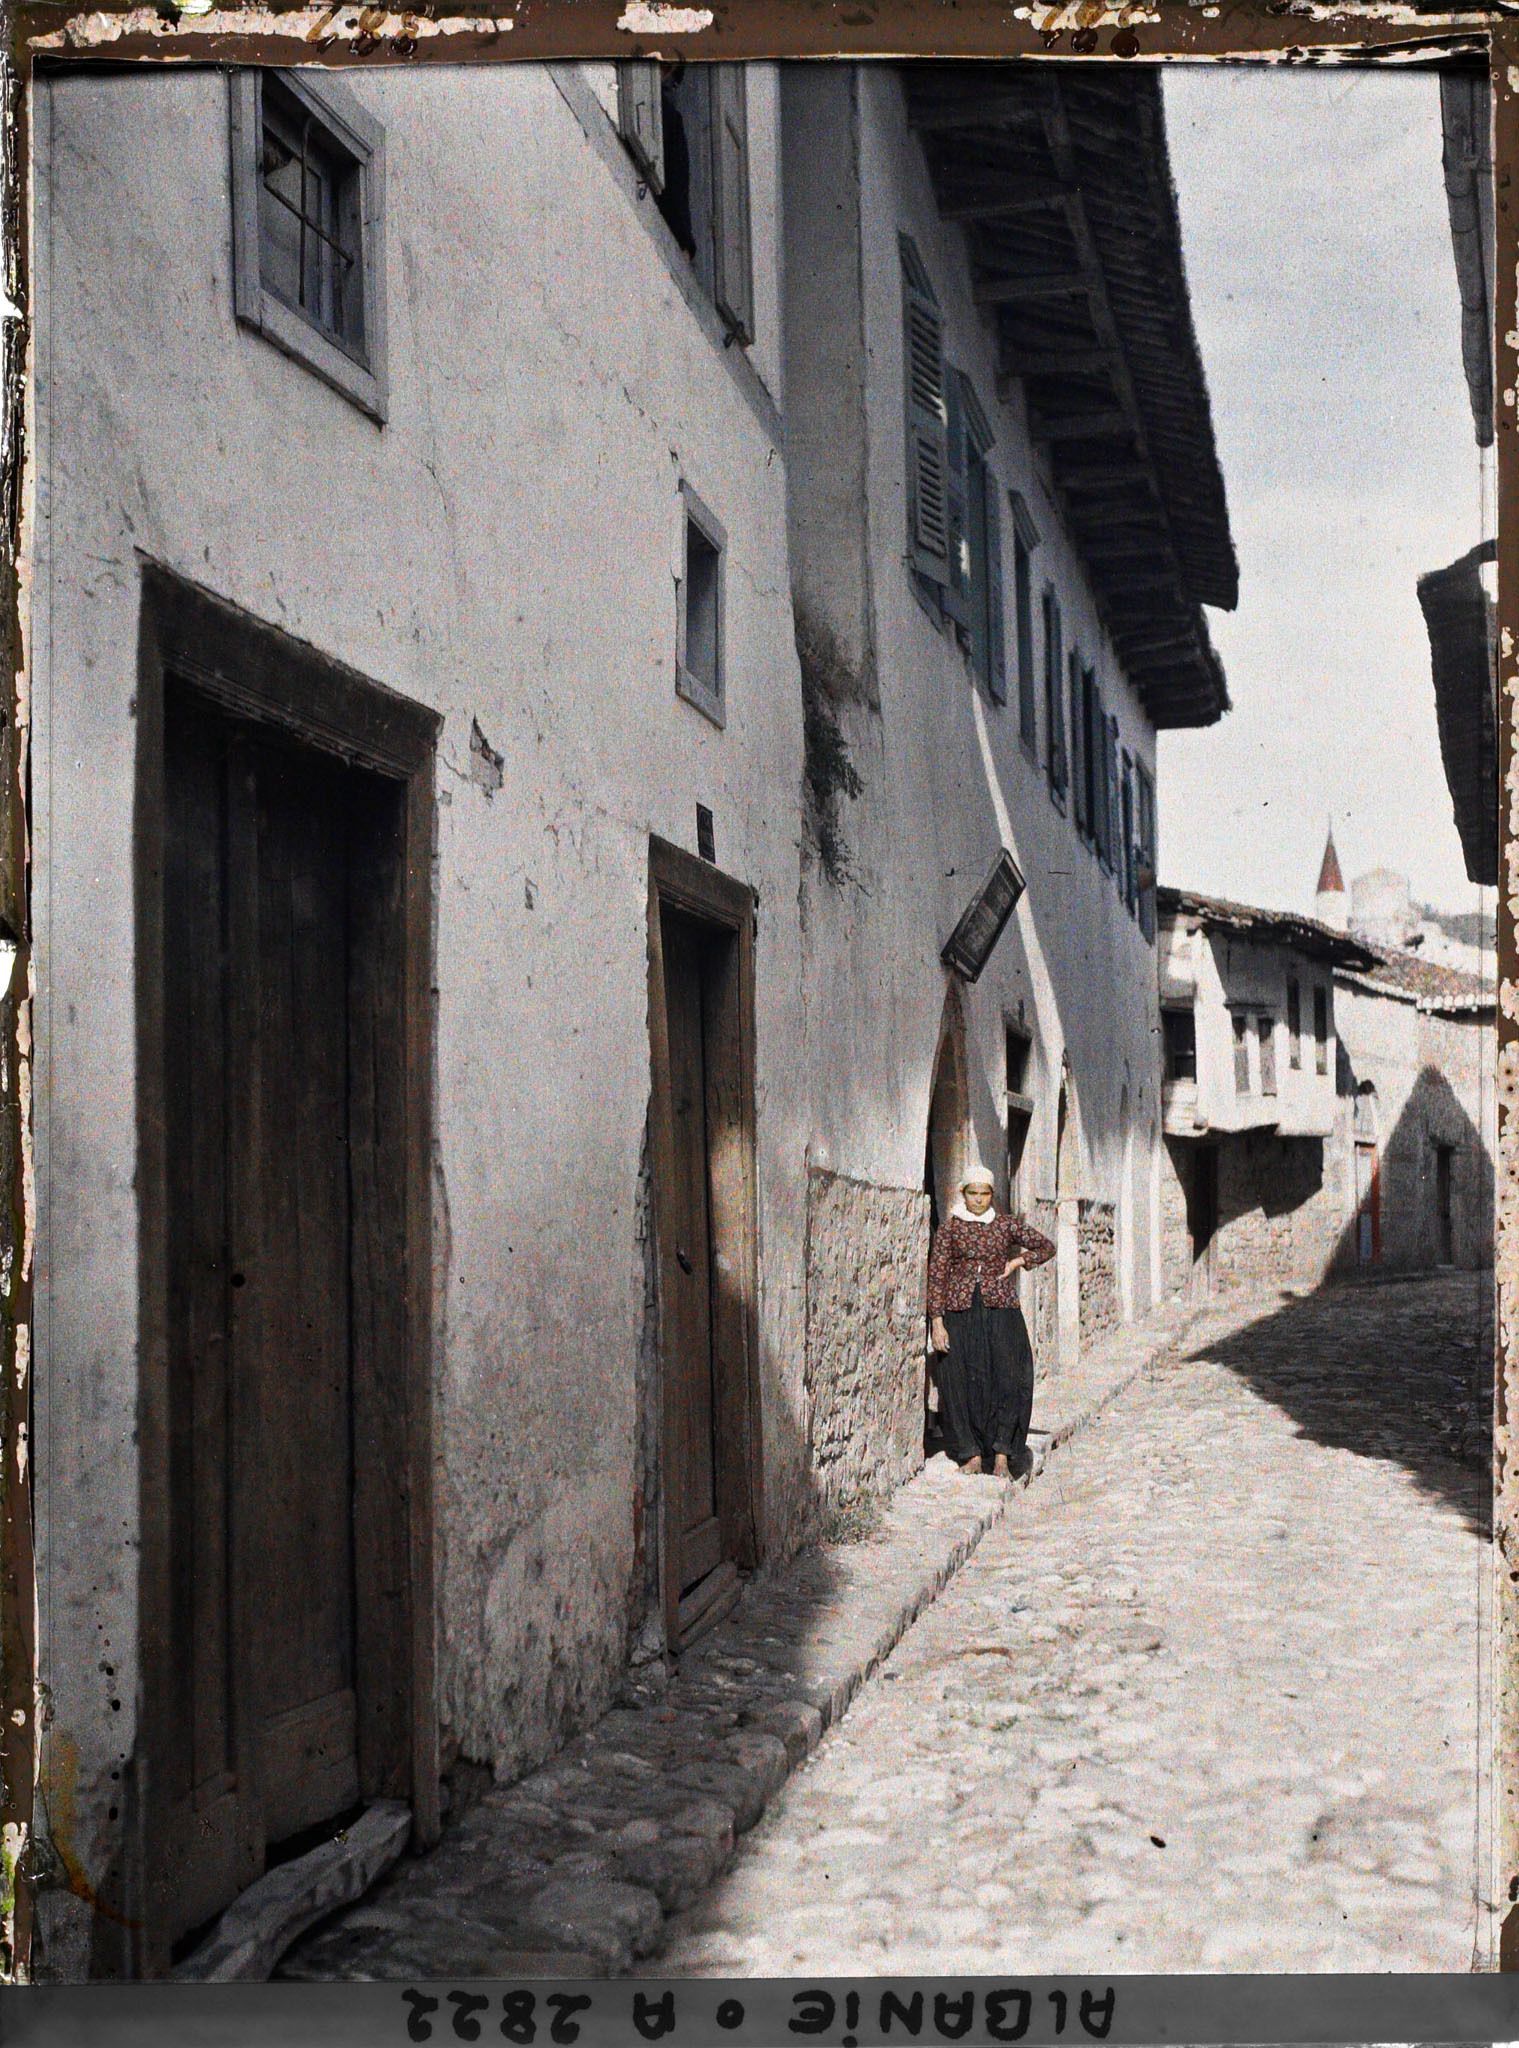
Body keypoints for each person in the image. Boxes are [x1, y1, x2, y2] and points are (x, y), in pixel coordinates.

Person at [927, 1164, 1055, 1478]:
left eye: (985, 1194)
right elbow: (937, 1274)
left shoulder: (1005, 1225)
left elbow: (1046, 1246)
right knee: (959, 1381)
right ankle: (970, 1453)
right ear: (963, 1193)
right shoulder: (951, 1229)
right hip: (960, 1311)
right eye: (973, 1193)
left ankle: (1001, 1455)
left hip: (1002, 1310)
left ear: (992, 1195)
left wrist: (1018, 1261)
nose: (979, 1200)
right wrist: (937, 1321)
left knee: (1009, 1379)